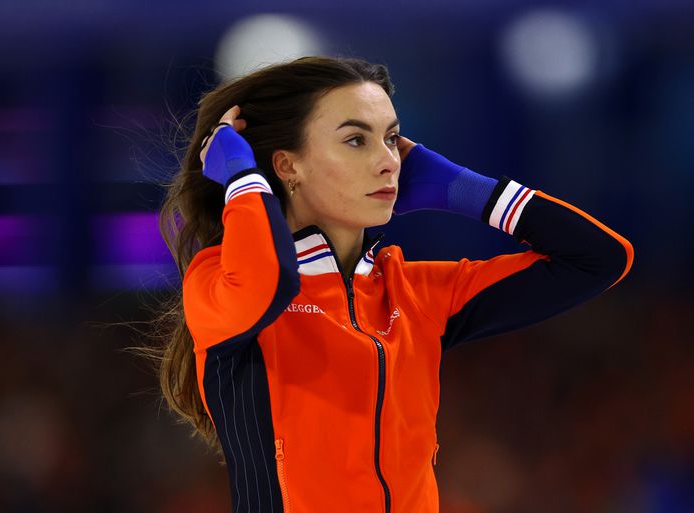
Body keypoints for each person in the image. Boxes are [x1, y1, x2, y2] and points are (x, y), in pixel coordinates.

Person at [152, 55, 634, 513]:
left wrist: (463, 189)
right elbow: (271, 282)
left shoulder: (417, 293)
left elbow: (598, 259)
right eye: (356, 140)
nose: (388, 161)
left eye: (392, 139)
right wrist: (243, 180)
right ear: (287, 166)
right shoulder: (217, 280)